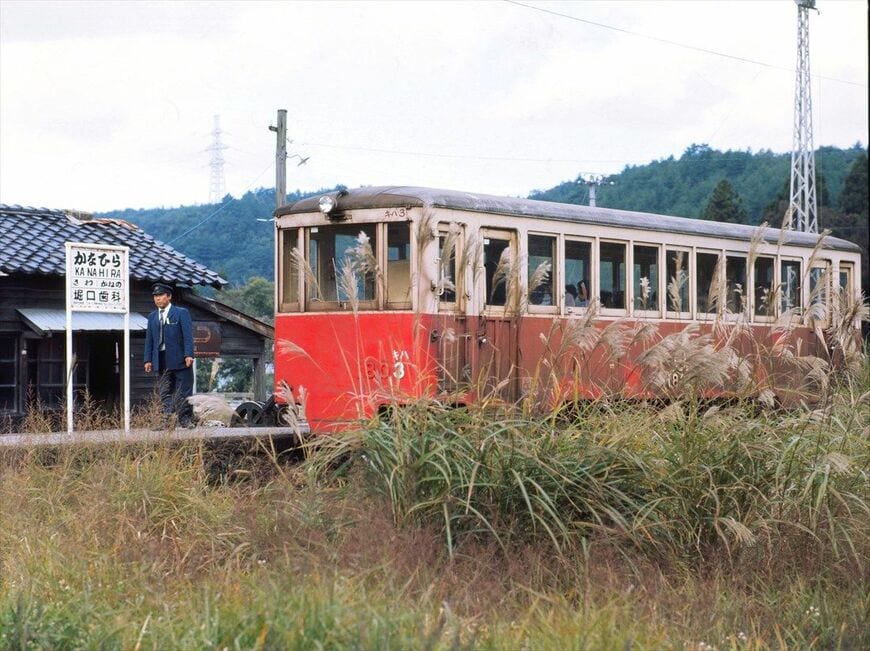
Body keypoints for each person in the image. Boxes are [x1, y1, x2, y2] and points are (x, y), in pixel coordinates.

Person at [144, 283, 195, 428]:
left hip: (180, 358)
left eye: (160, 295)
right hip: (161, 359)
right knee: (164, 390)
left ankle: (185, 420)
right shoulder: (152, 316)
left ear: (169, 296)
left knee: (183, 390)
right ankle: (165, 420)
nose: (157, 298)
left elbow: (188, 335)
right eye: (155, 296)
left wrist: (188, 354)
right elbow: (149, 339)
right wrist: (148, 359)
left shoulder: (180, 313)